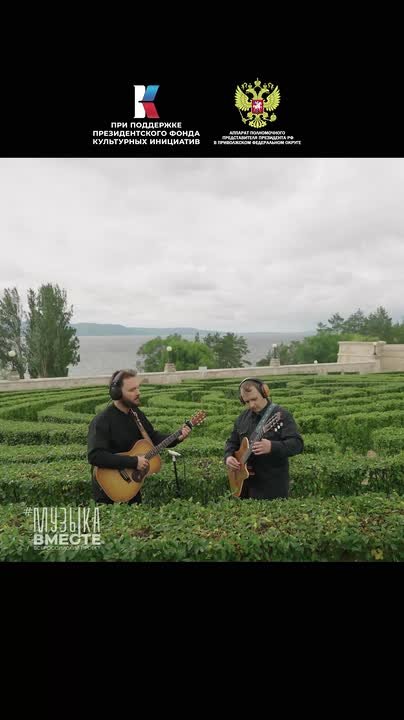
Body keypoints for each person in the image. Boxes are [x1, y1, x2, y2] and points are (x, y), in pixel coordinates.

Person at [87, 369, 191, 504]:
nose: (138, 393)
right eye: (132, 390)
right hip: (108, 492)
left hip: (132, 488)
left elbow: (152, 438)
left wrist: (177, 437)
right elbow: (95, 456)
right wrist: (134, 462)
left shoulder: (135, 414)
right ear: (117, 393)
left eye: (138, 388)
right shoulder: (102, 421)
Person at [224, 377, 303, 500]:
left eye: (254, 399)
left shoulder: (282, 415)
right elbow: (231, 442)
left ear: (264, 392)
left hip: (272, 488)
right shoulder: (242, 417)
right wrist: (229, 457)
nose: (251, 405)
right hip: (244, 487)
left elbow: (297, 444)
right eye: (247, 401)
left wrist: (272, 446)